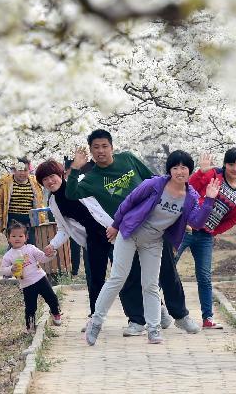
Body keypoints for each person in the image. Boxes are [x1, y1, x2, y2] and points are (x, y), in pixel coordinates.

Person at [63, 129, 201, 336]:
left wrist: (177, 214)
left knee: (167, 272)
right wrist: (75, 168)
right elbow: (71, 193)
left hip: (154, 226)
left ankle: (180, 316)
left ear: (112, 147)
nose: (101, 151)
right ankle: (137, 320)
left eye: (105, 146)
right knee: (127, 276)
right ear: (91, 151)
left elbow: (153, 179)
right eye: (96, 148)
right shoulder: (91, 179)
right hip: (125, 230)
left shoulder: (127, 159)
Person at [85, 151, 220, 345]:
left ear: (190, 170)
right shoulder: (155, 184)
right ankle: (96, 323)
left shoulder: (190, 196)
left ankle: (154, 329)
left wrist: (209, 200)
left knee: (150, 284)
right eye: (175, 167)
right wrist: (115, 225)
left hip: (153, 242)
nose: (179, 171)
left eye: (184, 167)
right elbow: (128, 202)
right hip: (129, 234)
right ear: (170, 170)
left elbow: (197, 222)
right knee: (118, 278)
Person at [36, 159, 118, 325]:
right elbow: (63, 229)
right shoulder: (53, 202)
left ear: (61, 174)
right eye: (45, 180)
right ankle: (96, 318)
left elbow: (109, 200)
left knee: (128, 274)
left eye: (52, 176)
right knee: (94, 279)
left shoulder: (81, 183)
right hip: (93, 239)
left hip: (113, 231)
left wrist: (117, 224)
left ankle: (148, 313)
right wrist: (52, 245)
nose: (50, 181)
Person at [176, 148, 236, 329]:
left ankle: (207, 318)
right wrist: (202, 171)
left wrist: (214, 231)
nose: (234, 168)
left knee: (204, 276)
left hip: (205, 237)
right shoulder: (213, 174)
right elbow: (190, 187)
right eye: (231, 164)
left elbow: (234, 218)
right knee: (167, 267)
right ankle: (156, 310)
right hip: (185, 228)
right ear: (225, 164)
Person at [0, 220, 61, 332]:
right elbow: (4, 270)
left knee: (52, 297)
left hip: (41, 279)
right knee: (30, 307)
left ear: (26, 237)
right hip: (26, 284)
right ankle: (30, 326)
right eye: (13, 236)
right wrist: (11, 269)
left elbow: (42, 258)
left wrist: (51, 255)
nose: (17, 238)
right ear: (8, 238)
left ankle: (56, 313)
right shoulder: (8, 256)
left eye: (20, 236)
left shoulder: (31, 248)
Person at [0, 157, 47, 246]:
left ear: (29, 171)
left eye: (25, 170)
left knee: (31, 246)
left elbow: (39, 203)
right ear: (14, 170)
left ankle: (29, 260)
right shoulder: (6, 182)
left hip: (30, 221)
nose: (22, 173)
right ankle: (12, 260)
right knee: (15, 246)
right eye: (20, 170)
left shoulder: (34, 182)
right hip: (12, 220)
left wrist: (41, 218)